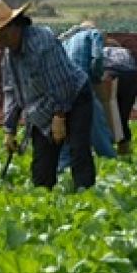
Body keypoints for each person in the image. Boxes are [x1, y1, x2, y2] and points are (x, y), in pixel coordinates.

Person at [0, 0, 95, 190]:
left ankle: (86, 193)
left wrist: (60, 115)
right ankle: (44, 202)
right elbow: (11, 92)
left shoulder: (41, 41)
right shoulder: (9, 56)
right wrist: (9, 129)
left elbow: (60, 81)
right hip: (41, 109)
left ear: (15, 26)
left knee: (78, 151)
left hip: (74, 97)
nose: (1, 42)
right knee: (42, 167)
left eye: (3, 36)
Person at [57, 21, 116, 171]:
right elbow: (97, 58)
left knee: (67, 128)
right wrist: (97, 78)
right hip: (82, 85)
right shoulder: (93, 34)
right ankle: (111, 162)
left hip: (63, 89)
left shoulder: (66, 40)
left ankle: (62, 169)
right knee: (97, 125)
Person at [103, 38, 137, 155]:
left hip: (110, 74)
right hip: (131, 77)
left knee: (104, 116)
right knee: (123, 118)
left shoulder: (102, 50)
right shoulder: (125, 51)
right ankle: (125, 151)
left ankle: (106, 151)